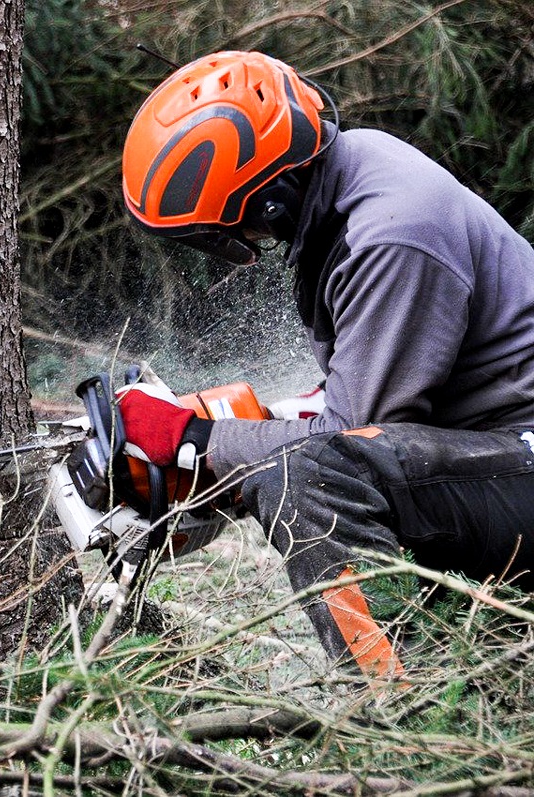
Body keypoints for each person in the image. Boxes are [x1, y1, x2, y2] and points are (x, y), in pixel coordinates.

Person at [116, 50, 534, 679]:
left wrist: (197, 442)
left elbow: (349, 441)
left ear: (269, 201)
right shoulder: (351, 174)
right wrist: (228, 427)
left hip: (519, 455)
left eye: (230, 231)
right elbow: (364, 399)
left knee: (306, 479)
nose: (242, 245)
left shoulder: (392, 234)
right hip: (497, 450)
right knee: (298, 460)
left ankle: (400, 711)